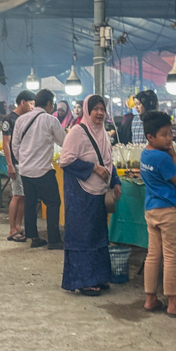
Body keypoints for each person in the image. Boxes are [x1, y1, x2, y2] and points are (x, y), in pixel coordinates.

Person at [59, 95, 122, 295]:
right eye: (95, 108)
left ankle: (99, 276)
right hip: (80, 194)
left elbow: (107, 160)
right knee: (82, 236)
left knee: (98, 234)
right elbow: (65, 161)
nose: (99, 113)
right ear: (87, 110)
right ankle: (83, 280)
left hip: (98, 192)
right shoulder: (77, 132)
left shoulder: (102, 132)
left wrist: (116, 181)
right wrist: (93, 168)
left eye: (102, 109)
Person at [140, 111, 176, 318]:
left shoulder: (146, 154)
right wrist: (174, 155)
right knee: (172, 257)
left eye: (170, 133)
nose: (170, 138)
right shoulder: (162, 157)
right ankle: (174, 302)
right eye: (164, 134)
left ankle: (150, 298)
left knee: (153, 255)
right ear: (150, 137)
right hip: (168, 210)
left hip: (151, 210)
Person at [11, 88, 66, 249]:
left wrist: (23, 161)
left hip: (26, 170)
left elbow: (15, 145)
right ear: (48, 103)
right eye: (53, 103)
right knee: (53, 203)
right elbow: (64, 142)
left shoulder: (21, 120)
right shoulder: (50, 120)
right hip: (43, 170)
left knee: (30, 203)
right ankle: (54, 240)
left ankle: (34, 237)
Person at [1, 90, 35, 242]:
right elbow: (6, 143)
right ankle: (12, 229)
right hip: (16, 163)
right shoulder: (10, 119)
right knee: (17, 195)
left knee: (23, 196)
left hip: (25, 162)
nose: (32, 106)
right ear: (23, 102)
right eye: (31, 103)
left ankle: (18, 227)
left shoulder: (24, 118)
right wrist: (10, 165)